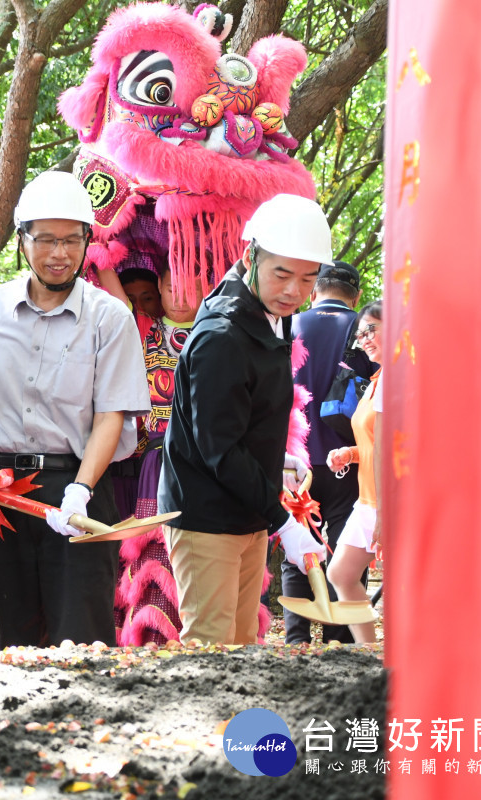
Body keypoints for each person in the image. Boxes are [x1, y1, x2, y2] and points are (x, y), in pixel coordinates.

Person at [0, 171, 150, 648]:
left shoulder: (110, 318)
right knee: (16, 639)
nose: (59, 253)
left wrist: (81, 489)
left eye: (71, 240)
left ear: (87, 242)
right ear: (22, 242)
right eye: (45, 240)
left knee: (81, 641)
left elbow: (112, 415)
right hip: (1, 493)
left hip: (75, 494)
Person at [157, 193, 330, 645]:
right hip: (206, 515)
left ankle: (232, 720)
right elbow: (219, 448)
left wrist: (278, 459)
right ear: (250, 255)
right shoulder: (223, 335)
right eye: (282, 274)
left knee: (240, 647)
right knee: (211, 646)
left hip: (248, 510)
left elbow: (247, 414)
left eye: (308, 279)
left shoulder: (271, 316)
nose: (294, 291)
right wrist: (285, 522)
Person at [282, 260, 375, 644]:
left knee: (295, 545)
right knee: (344, 551)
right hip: (350, 460)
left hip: (295, 459)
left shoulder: (290, 325)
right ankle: (338, 641)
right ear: (356, 297)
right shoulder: (366, 330)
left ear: (314, 289)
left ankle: (295, 638)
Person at [116, 263, 204, 645]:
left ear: (206, 288)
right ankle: (152, 640)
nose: (178, 295)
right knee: (156, 553)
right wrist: (102, 250)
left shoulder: (215, 330)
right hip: (157, 460)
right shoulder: (145, 330)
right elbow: (119, 303)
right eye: (171, 286)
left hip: (206, 463)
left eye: (189, 286)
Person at [326, 301, 383, 643]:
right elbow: (377, 445)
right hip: (368, 499)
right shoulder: (377, 378)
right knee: (341, 575)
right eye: (361, 333)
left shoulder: (402, 376)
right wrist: (350, 452)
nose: (365, 339)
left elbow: (399, 449)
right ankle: (372, 657)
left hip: (392, 500)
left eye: (372, 329)